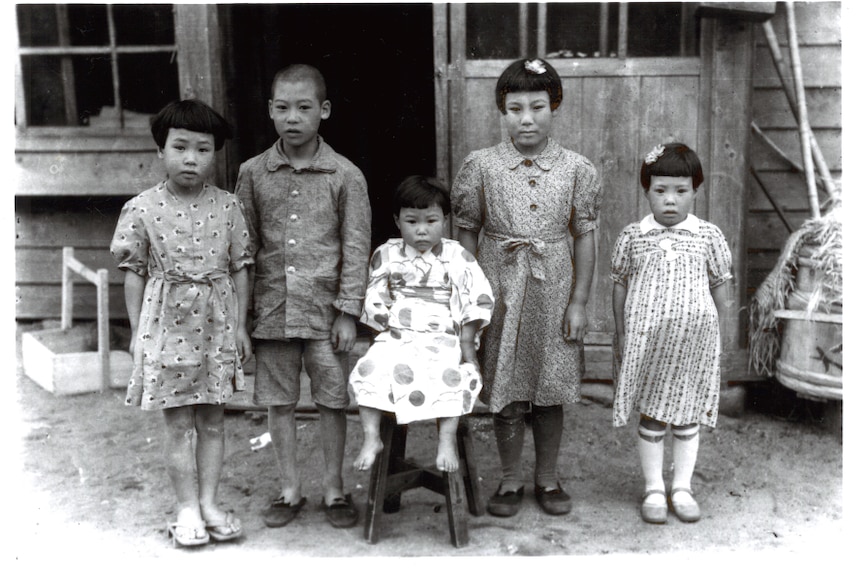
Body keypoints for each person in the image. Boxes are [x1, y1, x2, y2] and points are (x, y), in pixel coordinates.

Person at [451, 58, 602, 517]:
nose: (527, 118)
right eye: (515, 108)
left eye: (537, 106)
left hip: (553, 287)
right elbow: (466, 234)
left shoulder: (576, 169)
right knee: (508, 385)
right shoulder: (482, 166)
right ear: (502, 111)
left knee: (550, 385)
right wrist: (471, 301)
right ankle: (511, 478)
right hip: (498, 286)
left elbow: (585, 236)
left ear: (554, 106)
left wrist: (578, 301)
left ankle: (548, 479)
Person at [235, 64, 371, 529]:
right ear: (270, 110)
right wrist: (241, 319)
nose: (292, 117)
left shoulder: (345, 175)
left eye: (304, 107)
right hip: (272, 311)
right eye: (282, 107)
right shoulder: (252, 173)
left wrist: (348, 312)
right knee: (279, 401)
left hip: (325, 314)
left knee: (333, 400)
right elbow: (244, 250)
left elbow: (356, 249)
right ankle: (289, 488)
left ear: (324, 111)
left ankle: (334, 488)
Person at [110, 99, 252, 547]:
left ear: (216, 154)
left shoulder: (228, 206)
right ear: (161, 151)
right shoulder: (141, 208)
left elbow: (241, 266)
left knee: (213, 421)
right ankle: (186, 507)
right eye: (181, 147)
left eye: (203, 149)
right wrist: (137, 334)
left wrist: (241, 326)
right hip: (165, 326)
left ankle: (209, 503)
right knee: (178, 425)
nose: (191, 158)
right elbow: (132, 272)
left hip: (216, 324)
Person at [611, 142, 732, 524]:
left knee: (686, 416)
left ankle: (682, 487)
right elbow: (619, 284)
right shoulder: (634, 236)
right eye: (660, 190)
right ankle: (652, 488)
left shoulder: (708, 236)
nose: (670, 201)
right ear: (646, 190)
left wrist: (720, 336)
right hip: (650, 345)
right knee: (652, 416)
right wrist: (620, 333)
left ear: (695, 190)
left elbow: (721, 286)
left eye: (681, 191)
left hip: (694, 344)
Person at [349, 176, 494, 473]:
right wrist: (388, 325)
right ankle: (372, 436)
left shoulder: (457, 255)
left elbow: (477, 296)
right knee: (369, 368)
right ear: (397, 221)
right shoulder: (386, 253)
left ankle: (446, 439)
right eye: (412, 221)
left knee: (449, 373)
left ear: (444, 220)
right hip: (399, 331)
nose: (422, 230)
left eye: (431, 220)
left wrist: (467, 342)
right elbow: (374, 294)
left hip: (443, 332)